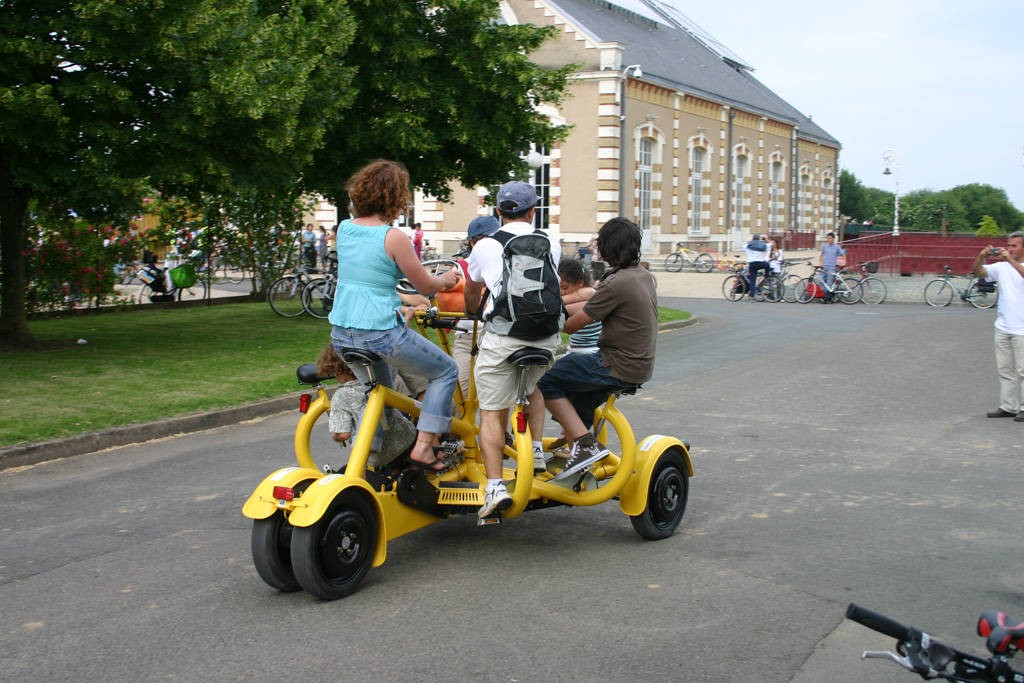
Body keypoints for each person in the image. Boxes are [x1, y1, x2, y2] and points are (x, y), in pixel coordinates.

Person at [328, 159, 461, 470]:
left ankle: (363, 466)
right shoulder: (395, 237)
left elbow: (365, 281)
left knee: (382, 399)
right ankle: (426, 447)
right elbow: (427, 283)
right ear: (395, 197)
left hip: (343, 333)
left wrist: (403, 296)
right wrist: (445, 280)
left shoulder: (345, 230)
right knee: (445, 371)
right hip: (380, 335)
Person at [464, 181, 562, 518]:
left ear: (498, 212)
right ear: (533, 210)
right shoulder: (552, 241)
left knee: (491, 411)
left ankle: (494, 487)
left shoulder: (486, 245)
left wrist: (471, 308)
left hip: (505, 335)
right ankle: (535, 449)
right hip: (547, 336)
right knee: (533, 385)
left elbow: (473, 286)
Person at [536, 217, 657, 480]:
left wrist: (536, 313)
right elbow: (592, 303)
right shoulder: (642, 275)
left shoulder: (615, 284)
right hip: (640, 363)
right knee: (573, 388)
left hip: (616, 363)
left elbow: (570, 326)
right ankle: (574, 448)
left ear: (606, 248)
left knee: (544, 380)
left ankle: (584, 444)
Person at [315, 344, 416, 468]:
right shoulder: (381, 382)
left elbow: (343, 434)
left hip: (379, 455)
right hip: (406, 439)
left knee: (369, 461)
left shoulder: (341, 396)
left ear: (338, 370)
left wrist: (336, 437)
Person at [435, 215, 500, 402]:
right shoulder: (459, 268)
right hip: (467, 336)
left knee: (496, 397)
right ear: (473, 242)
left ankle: (502, 432)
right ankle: (460, 429)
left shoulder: (505, 262)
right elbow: (442, 292)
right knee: (461, 396)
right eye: (487, 239)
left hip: (495, 336)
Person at [972, 232, 1024, 420]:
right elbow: (978, 271)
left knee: (1023, 370)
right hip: (1003, 326)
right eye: (1008, 245)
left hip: (1022, 329)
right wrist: (982, 256)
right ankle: (1009, 405)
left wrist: (1010, 260)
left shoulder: (1013, 264)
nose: (1010, 249)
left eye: (1014, 246)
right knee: (1005, 369)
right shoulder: (1001, 267)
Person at [557, 257, 601, 354]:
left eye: (564, 287)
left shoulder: (588, 293)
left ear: (580, 283)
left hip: (591, 350)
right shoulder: (583, 297)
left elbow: (557, 306)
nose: (561, 292)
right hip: (577, 349)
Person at [818, 231, 845, 297]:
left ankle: (828, 297)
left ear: (833, 239)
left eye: (830, 238)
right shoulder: (825, 246)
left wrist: (843, 262)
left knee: (829, 283)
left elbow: (843, 254)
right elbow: (821, 255)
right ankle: (828, 294)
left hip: (831, 268)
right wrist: (820, 263)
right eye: (828, 238)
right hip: (824, 267)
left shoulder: (837, 247)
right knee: (820, 280)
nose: (828, 240)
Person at [744, 233, 770, 299]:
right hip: (761, 263)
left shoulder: (748, 245)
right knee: (767, 265)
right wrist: (765, 240)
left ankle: (752, 295)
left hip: (752, 264)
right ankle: (767, 276)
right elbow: (769, 246)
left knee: (752, 280)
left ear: (753, 238)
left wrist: (750, 241)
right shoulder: (764, 245)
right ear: (759, 239)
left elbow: (744, 246)